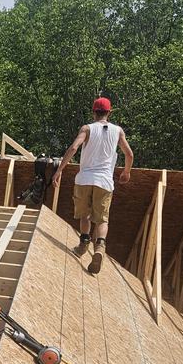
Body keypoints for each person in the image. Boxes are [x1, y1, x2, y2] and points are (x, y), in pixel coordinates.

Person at [52, 97, 133, 274]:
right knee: (102, 219)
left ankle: (83, 243)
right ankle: (99, 248)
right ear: (109, 113)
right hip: (105, 181)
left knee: (85, 214)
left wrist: (59, 171)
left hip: (85, 179)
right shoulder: (118, 131)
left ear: (93, 112)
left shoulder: (87, 128)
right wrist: (126, 172)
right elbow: (129, 153)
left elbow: (74, 148)